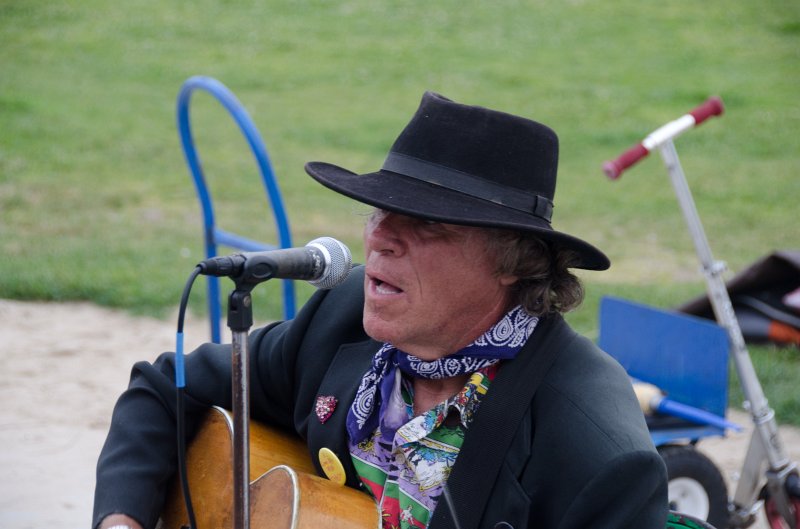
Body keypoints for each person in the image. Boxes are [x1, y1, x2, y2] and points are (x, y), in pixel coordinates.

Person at [93, 91, 668, 529]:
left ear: (515, 261)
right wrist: (122, 520)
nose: (380, 240)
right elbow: (168, 386)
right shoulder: (339, 320)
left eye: (425, 225)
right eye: (378, 213)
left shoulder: (596, 454)